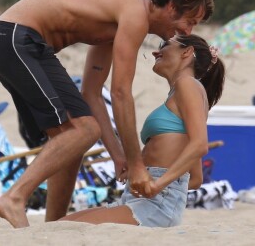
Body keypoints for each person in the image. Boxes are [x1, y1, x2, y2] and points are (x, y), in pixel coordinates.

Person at [0, 0, 214, 228]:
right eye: (190, 21)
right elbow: (120, 92)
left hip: (16, 42)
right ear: (171, 7)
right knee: (85, 129)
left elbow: (91, 93)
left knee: (69, 138)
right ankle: (14, 197)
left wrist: (118, 155)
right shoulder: (136, 12)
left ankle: (54, 226)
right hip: (16, 39)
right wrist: (136, 165)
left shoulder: (117, 23)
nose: (187, 31)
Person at [59, 34, 225, 227]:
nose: (156, 51)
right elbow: (195, 178)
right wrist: (144, 173)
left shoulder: (187, 84)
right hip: (141, 197)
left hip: (156, 202)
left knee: (68, 228)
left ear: (187, 52)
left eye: (164, 44)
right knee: (62, 224)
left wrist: (158, 184)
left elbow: (200, 145)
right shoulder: (182, 91)